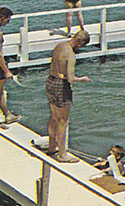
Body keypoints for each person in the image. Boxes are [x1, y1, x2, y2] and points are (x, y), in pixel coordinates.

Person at [46, 30, 92, 162]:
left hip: (50, 82)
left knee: (54, 117)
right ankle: (62, 154)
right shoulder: (70, 55)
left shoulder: (59, 46)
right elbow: (71, 79)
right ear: (81, 42)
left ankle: (51, 147)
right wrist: (82, 79)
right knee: (63, 121)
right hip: (61, 86)